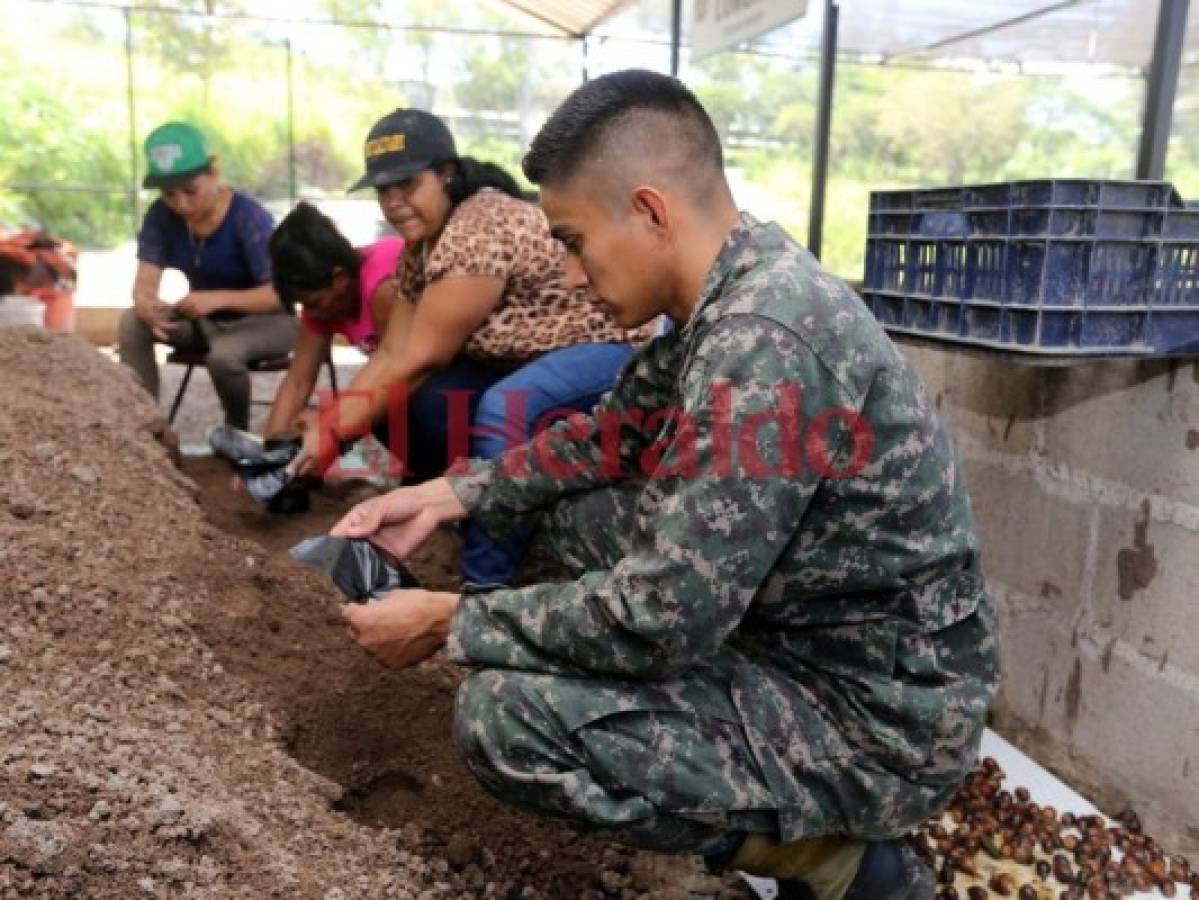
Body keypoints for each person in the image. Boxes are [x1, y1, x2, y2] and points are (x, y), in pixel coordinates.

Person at [330, 70, 998, 900]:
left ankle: (842, 863)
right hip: (813, 637)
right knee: (562, 515)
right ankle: (772, 792)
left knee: (506, 722)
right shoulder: (729, 292)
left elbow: (663, 615)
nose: (570, 277)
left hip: (876, 721)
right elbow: (611, 437)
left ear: (649, 211)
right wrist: (448, 495)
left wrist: (450, 622)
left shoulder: (765, 340)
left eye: (571, 242)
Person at [295, 108, 652, 586]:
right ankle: (448, 507)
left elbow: (421, 356)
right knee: (419, 403)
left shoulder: (476, 226)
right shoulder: (418, 250)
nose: (395, 202)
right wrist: (330, 426)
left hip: (609, 347)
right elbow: (391, 353)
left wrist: (332, 437)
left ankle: (486, 580)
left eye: (408, 184)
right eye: (384, 190)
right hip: (536, 362)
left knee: (501, 407)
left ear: (446, 174)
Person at [118, 122, 297, 432]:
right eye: (169, 194)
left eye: (190, 190)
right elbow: (144, 284)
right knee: (131, 322)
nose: (181, 203)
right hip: (205, 322)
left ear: (214, 171)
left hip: (269, 322)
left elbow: (280, 294)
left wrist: (217, 299)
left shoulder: (249, 218)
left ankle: (236, 433)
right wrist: (146, 303)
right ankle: (144, 428)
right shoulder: (161, 216)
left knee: (224, 356)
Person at [260, 202, 403, 439]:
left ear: (339, 278)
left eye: (314, 303)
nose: (311, 313)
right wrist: (266, 456)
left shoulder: (382, 284)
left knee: (381, 408)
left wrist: (329, 423)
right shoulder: (322, 299)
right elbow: (297, 382)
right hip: (407, 381)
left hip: (452, 377)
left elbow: (398, 368)